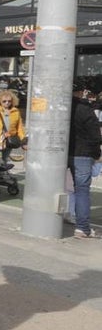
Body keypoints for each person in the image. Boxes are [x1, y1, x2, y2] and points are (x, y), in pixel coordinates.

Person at [68, 78, 101, 239]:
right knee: (81, 190)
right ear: (82, 92)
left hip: (61, 154)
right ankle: (82, 228)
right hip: (83, 154)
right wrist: (96, 154)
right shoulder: (85, 109)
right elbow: (95, 135)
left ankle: (62, 216)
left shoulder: (61, 107)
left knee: (59, 186)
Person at [0, 89, 26, 164]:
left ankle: (2, 173)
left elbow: (19, 128)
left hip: (9, 140)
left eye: (9, 101)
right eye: (4, 101)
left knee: (4, 158)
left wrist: (23, 141)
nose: (7, 103)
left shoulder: (16, 112)